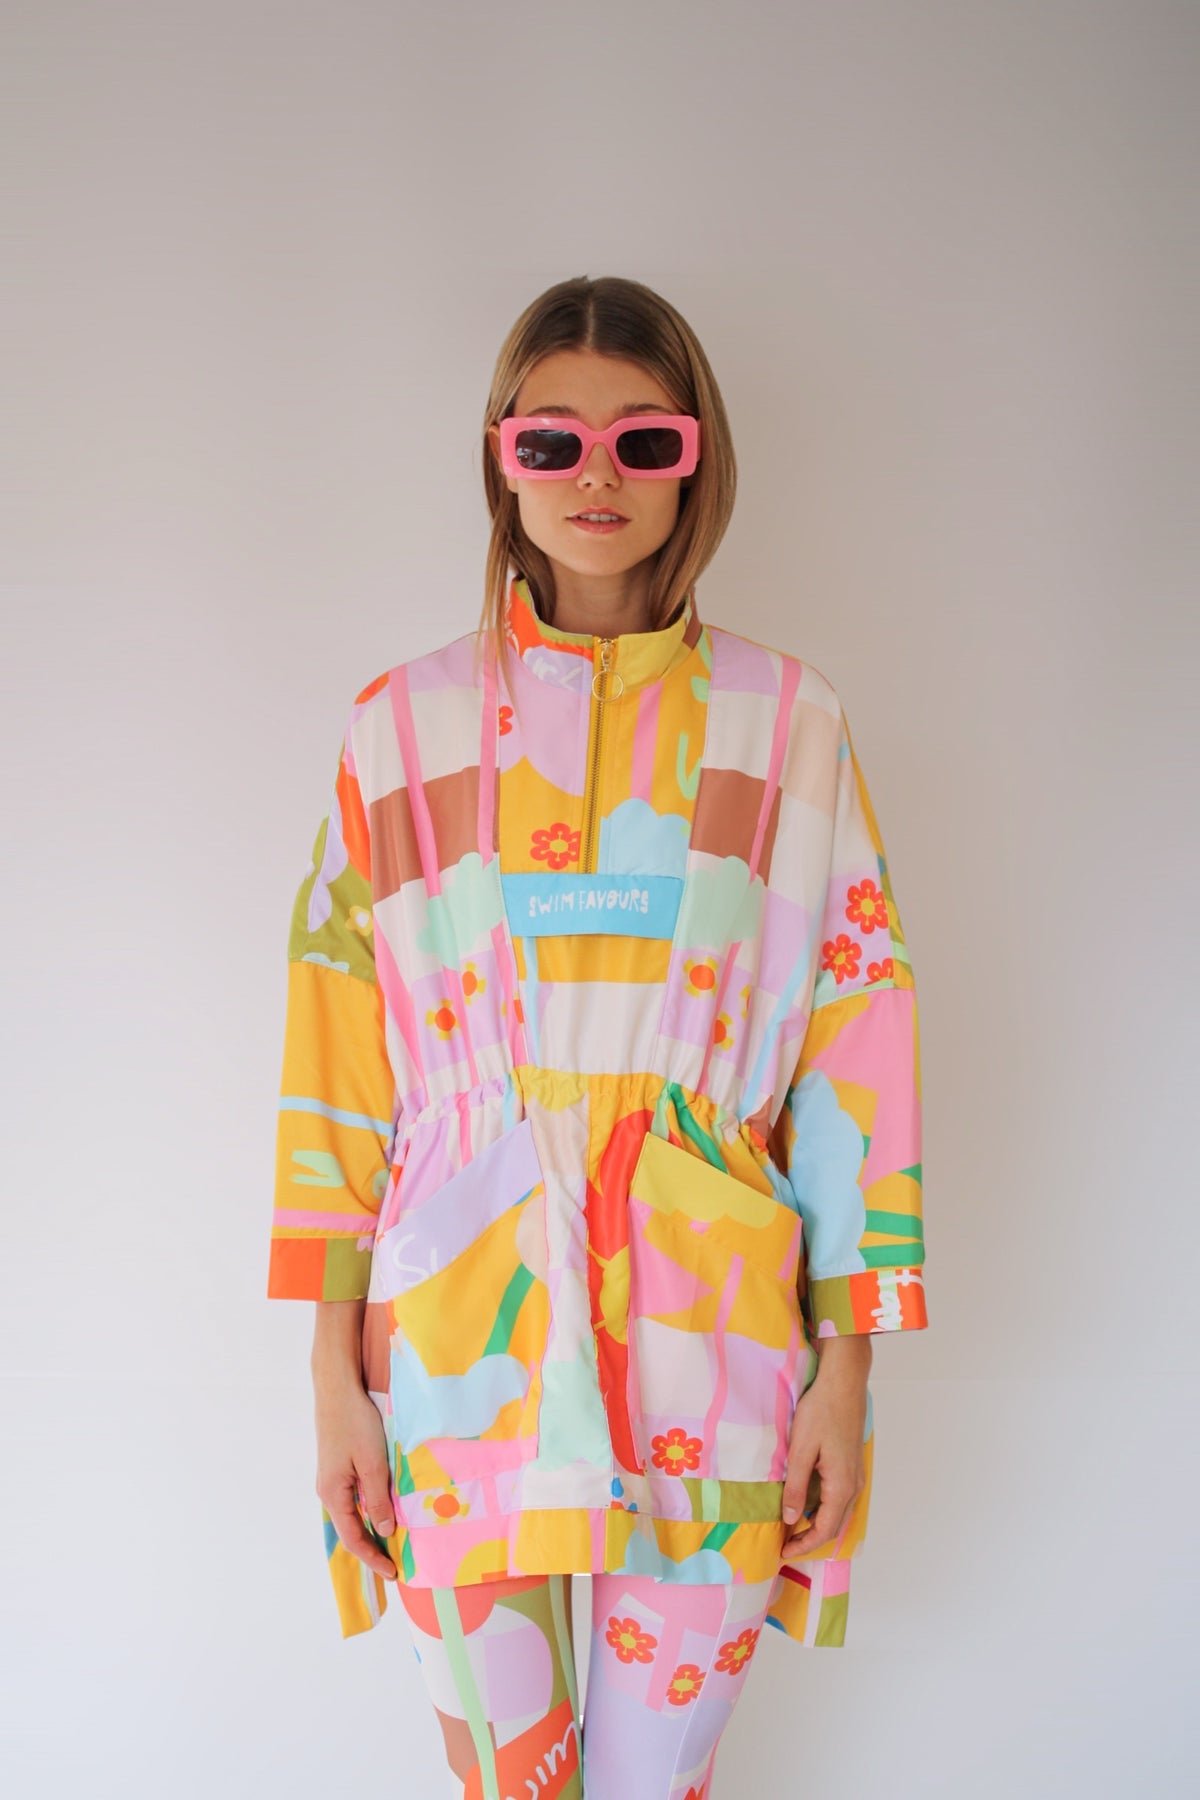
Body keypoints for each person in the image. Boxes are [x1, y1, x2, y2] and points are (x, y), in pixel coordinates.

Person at [268, 274, 928, 1799]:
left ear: (699, 459)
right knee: (512, 1783)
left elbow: (858, 1039)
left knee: (654, 1790)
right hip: (456, 1331)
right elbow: (336, 1062)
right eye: (551, 442)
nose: (597, 477)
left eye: (645, 440)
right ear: (501, 457)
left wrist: (849, 1372)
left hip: (717, 1320)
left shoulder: (788, 723)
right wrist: (331, 1377)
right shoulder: (402, 728)